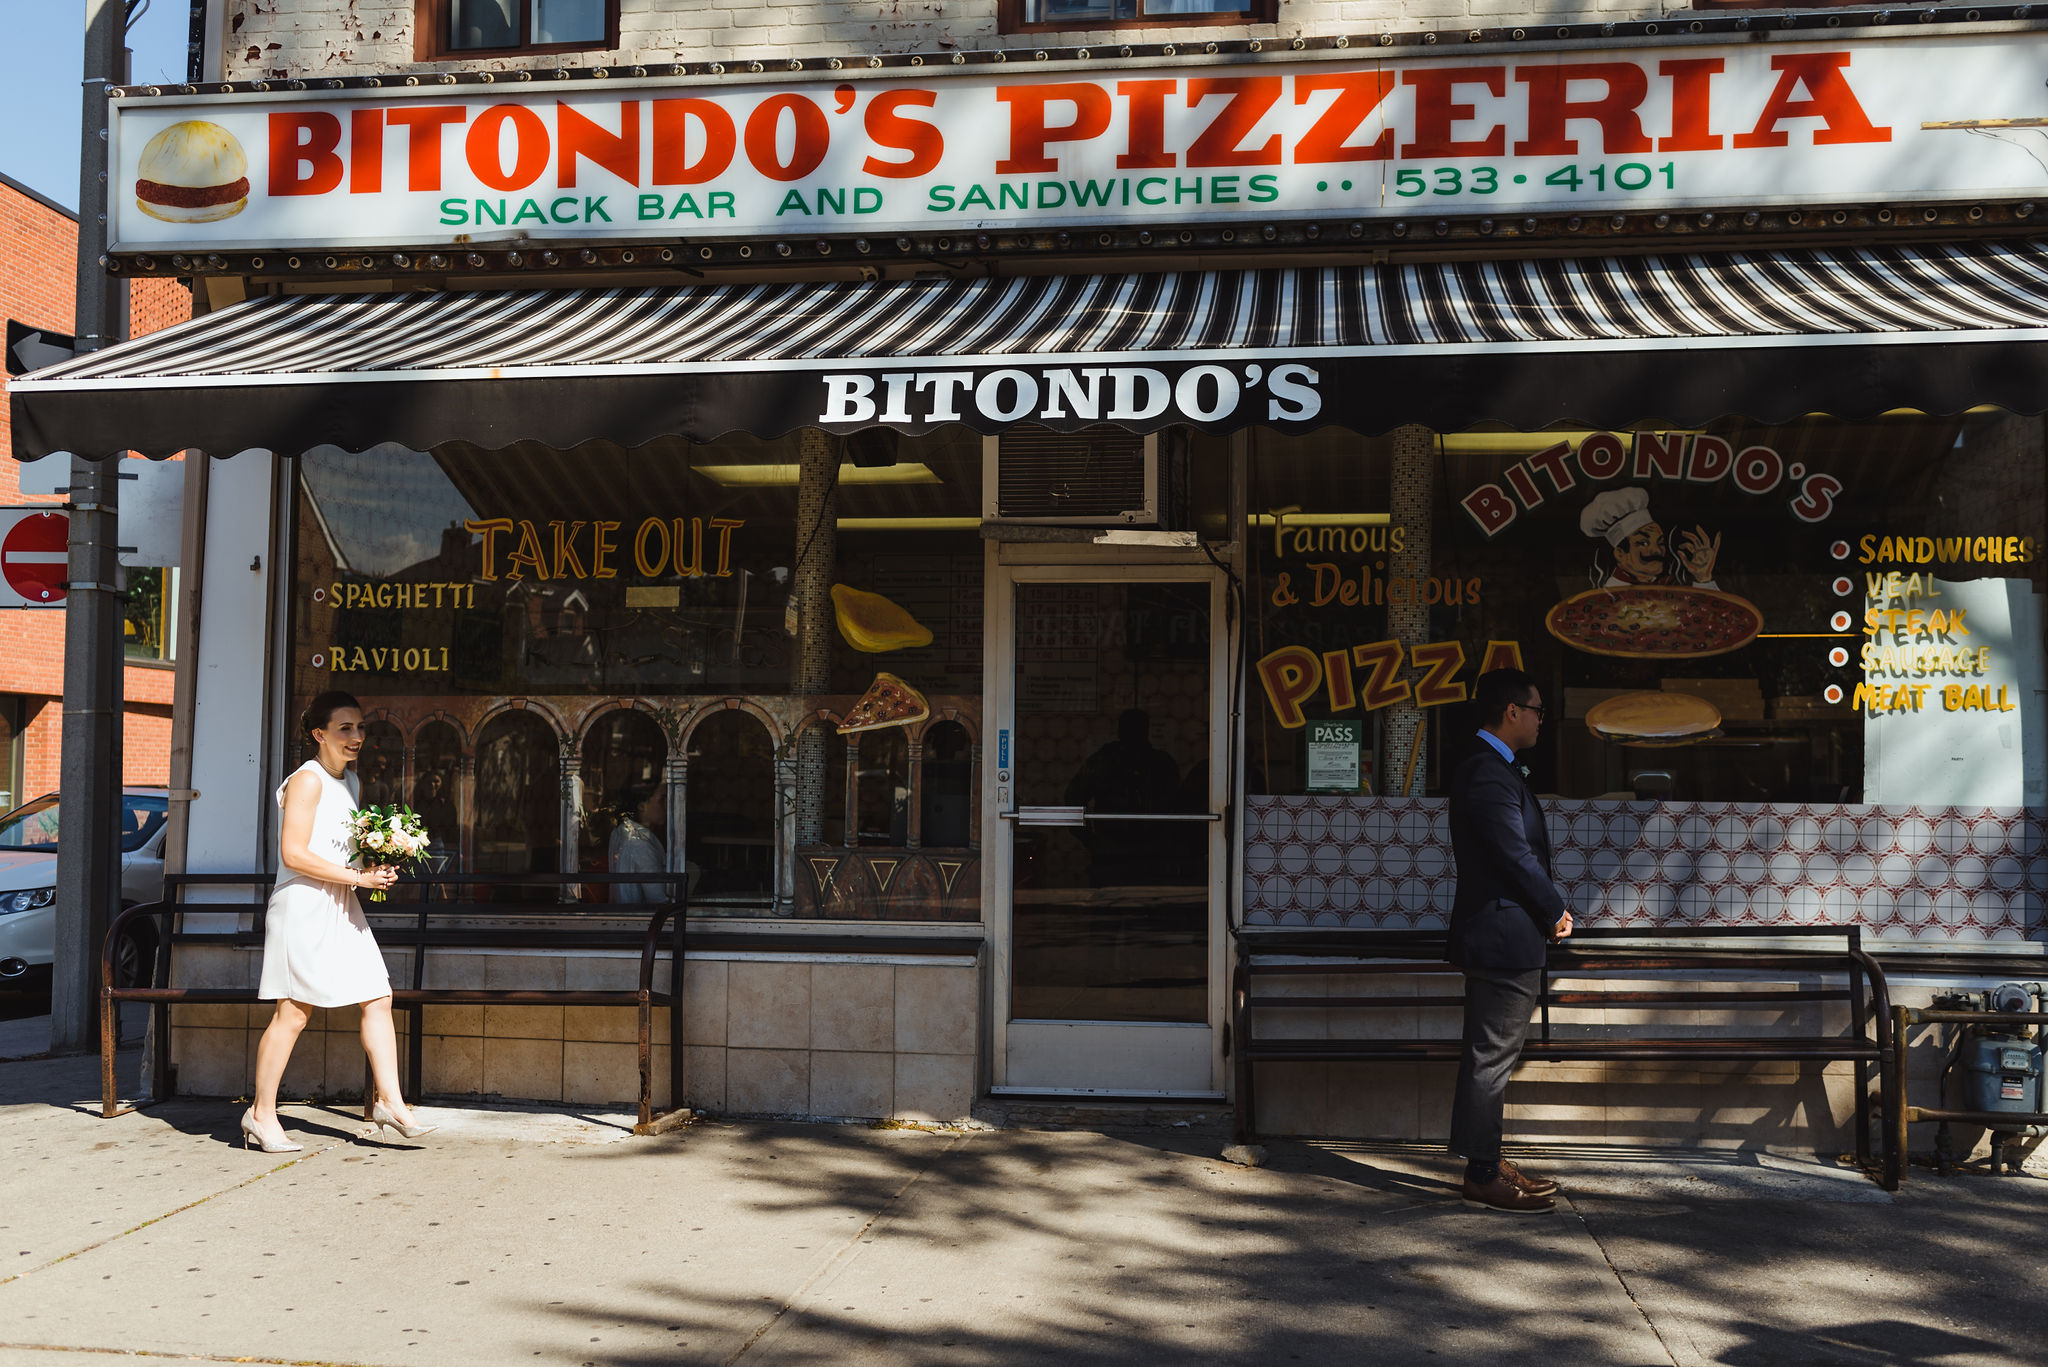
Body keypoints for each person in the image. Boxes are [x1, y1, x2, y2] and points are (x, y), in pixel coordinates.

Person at [242, 691, 435, 1153]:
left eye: (360, 728)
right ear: (319, 734)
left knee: (378, 995)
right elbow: (293, 854)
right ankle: (260, 1114)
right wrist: (358, 875)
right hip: (303, 906)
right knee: (293, 1013)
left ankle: (391, 1102)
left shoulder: (351, 781)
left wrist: (384, 857)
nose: (356, 737)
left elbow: (337, 848)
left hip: (341, 902)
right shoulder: (306, 781)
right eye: (345, 728)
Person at [1446, 669, 1571, 1213]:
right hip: (1503, 935)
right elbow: (1513, 854)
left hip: (1504, 933)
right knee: (1490, 1058)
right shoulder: (1487, 772)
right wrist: (1554, 907)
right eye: (1539, 709)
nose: (1543, 719)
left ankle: (1488, 1160)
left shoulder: (1493, 768)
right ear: (1512, 712)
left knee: (1490, 1055)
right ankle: (1480, 1173)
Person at [1579, 486, 1719, 588]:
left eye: (1660, 542)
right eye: (1644, 543)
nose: (1656, 550)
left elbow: (1714, 622)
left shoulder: (1670, 586)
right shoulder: (1610, 595)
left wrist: (1703, 578)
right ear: (1620, 553)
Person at [608, 780, 671, 905]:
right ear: (642, 806)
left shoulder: (620, 831)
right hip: (640, 920)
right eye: (661, 800)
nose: (667, 806)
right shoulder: (640, 844)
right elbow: (658, 898)